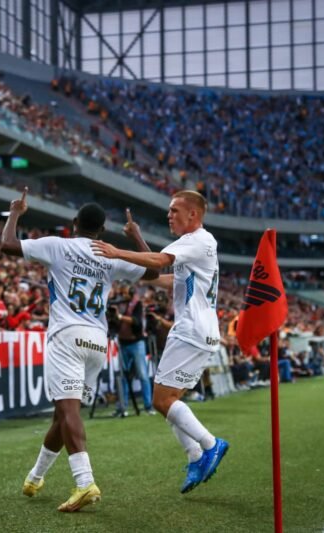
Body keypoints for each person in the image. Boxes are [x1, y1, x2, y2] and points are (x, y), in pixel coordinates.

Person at [1, 188, 156, 512]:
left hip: (67, 335)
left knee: (67, 410)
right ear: (101, 230)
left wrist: (15, 212)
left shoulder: (59, 246)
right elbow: (154, 271)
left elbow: (8, 245)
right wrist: (136, 237)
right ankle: (35, 477)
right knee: (65, 413)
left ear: (74, 223)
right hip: (98, 341)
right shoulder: (109, 253)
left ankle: (85, 482)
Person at [91, 190, 229, 494]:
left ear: (193, 214)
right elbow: (159, 274)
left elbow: (159, 260)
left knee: (161, 400)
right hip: (199, 331)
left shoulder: (198, 241)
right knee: (169, 400)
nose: (169, 215)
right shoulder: (192, 246)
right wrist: (136, 243)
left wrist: (117, 252)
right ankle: (195, 455)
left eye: (174, 210)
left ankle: (209, 445)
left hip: (191, 330)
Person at [112, 286, 155, 416]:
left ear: (131, 293)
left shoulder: (138, 304)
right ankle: (123, 406)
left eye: (125, 293)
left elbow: (136, 322)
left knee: (142, 375)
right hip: (123, 343)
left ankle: (148, 406)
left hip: (136, 343)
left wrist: (119, 316)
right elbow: (115, 322)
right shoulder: (120, 304)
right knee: (123, 377)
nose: (122, 295)